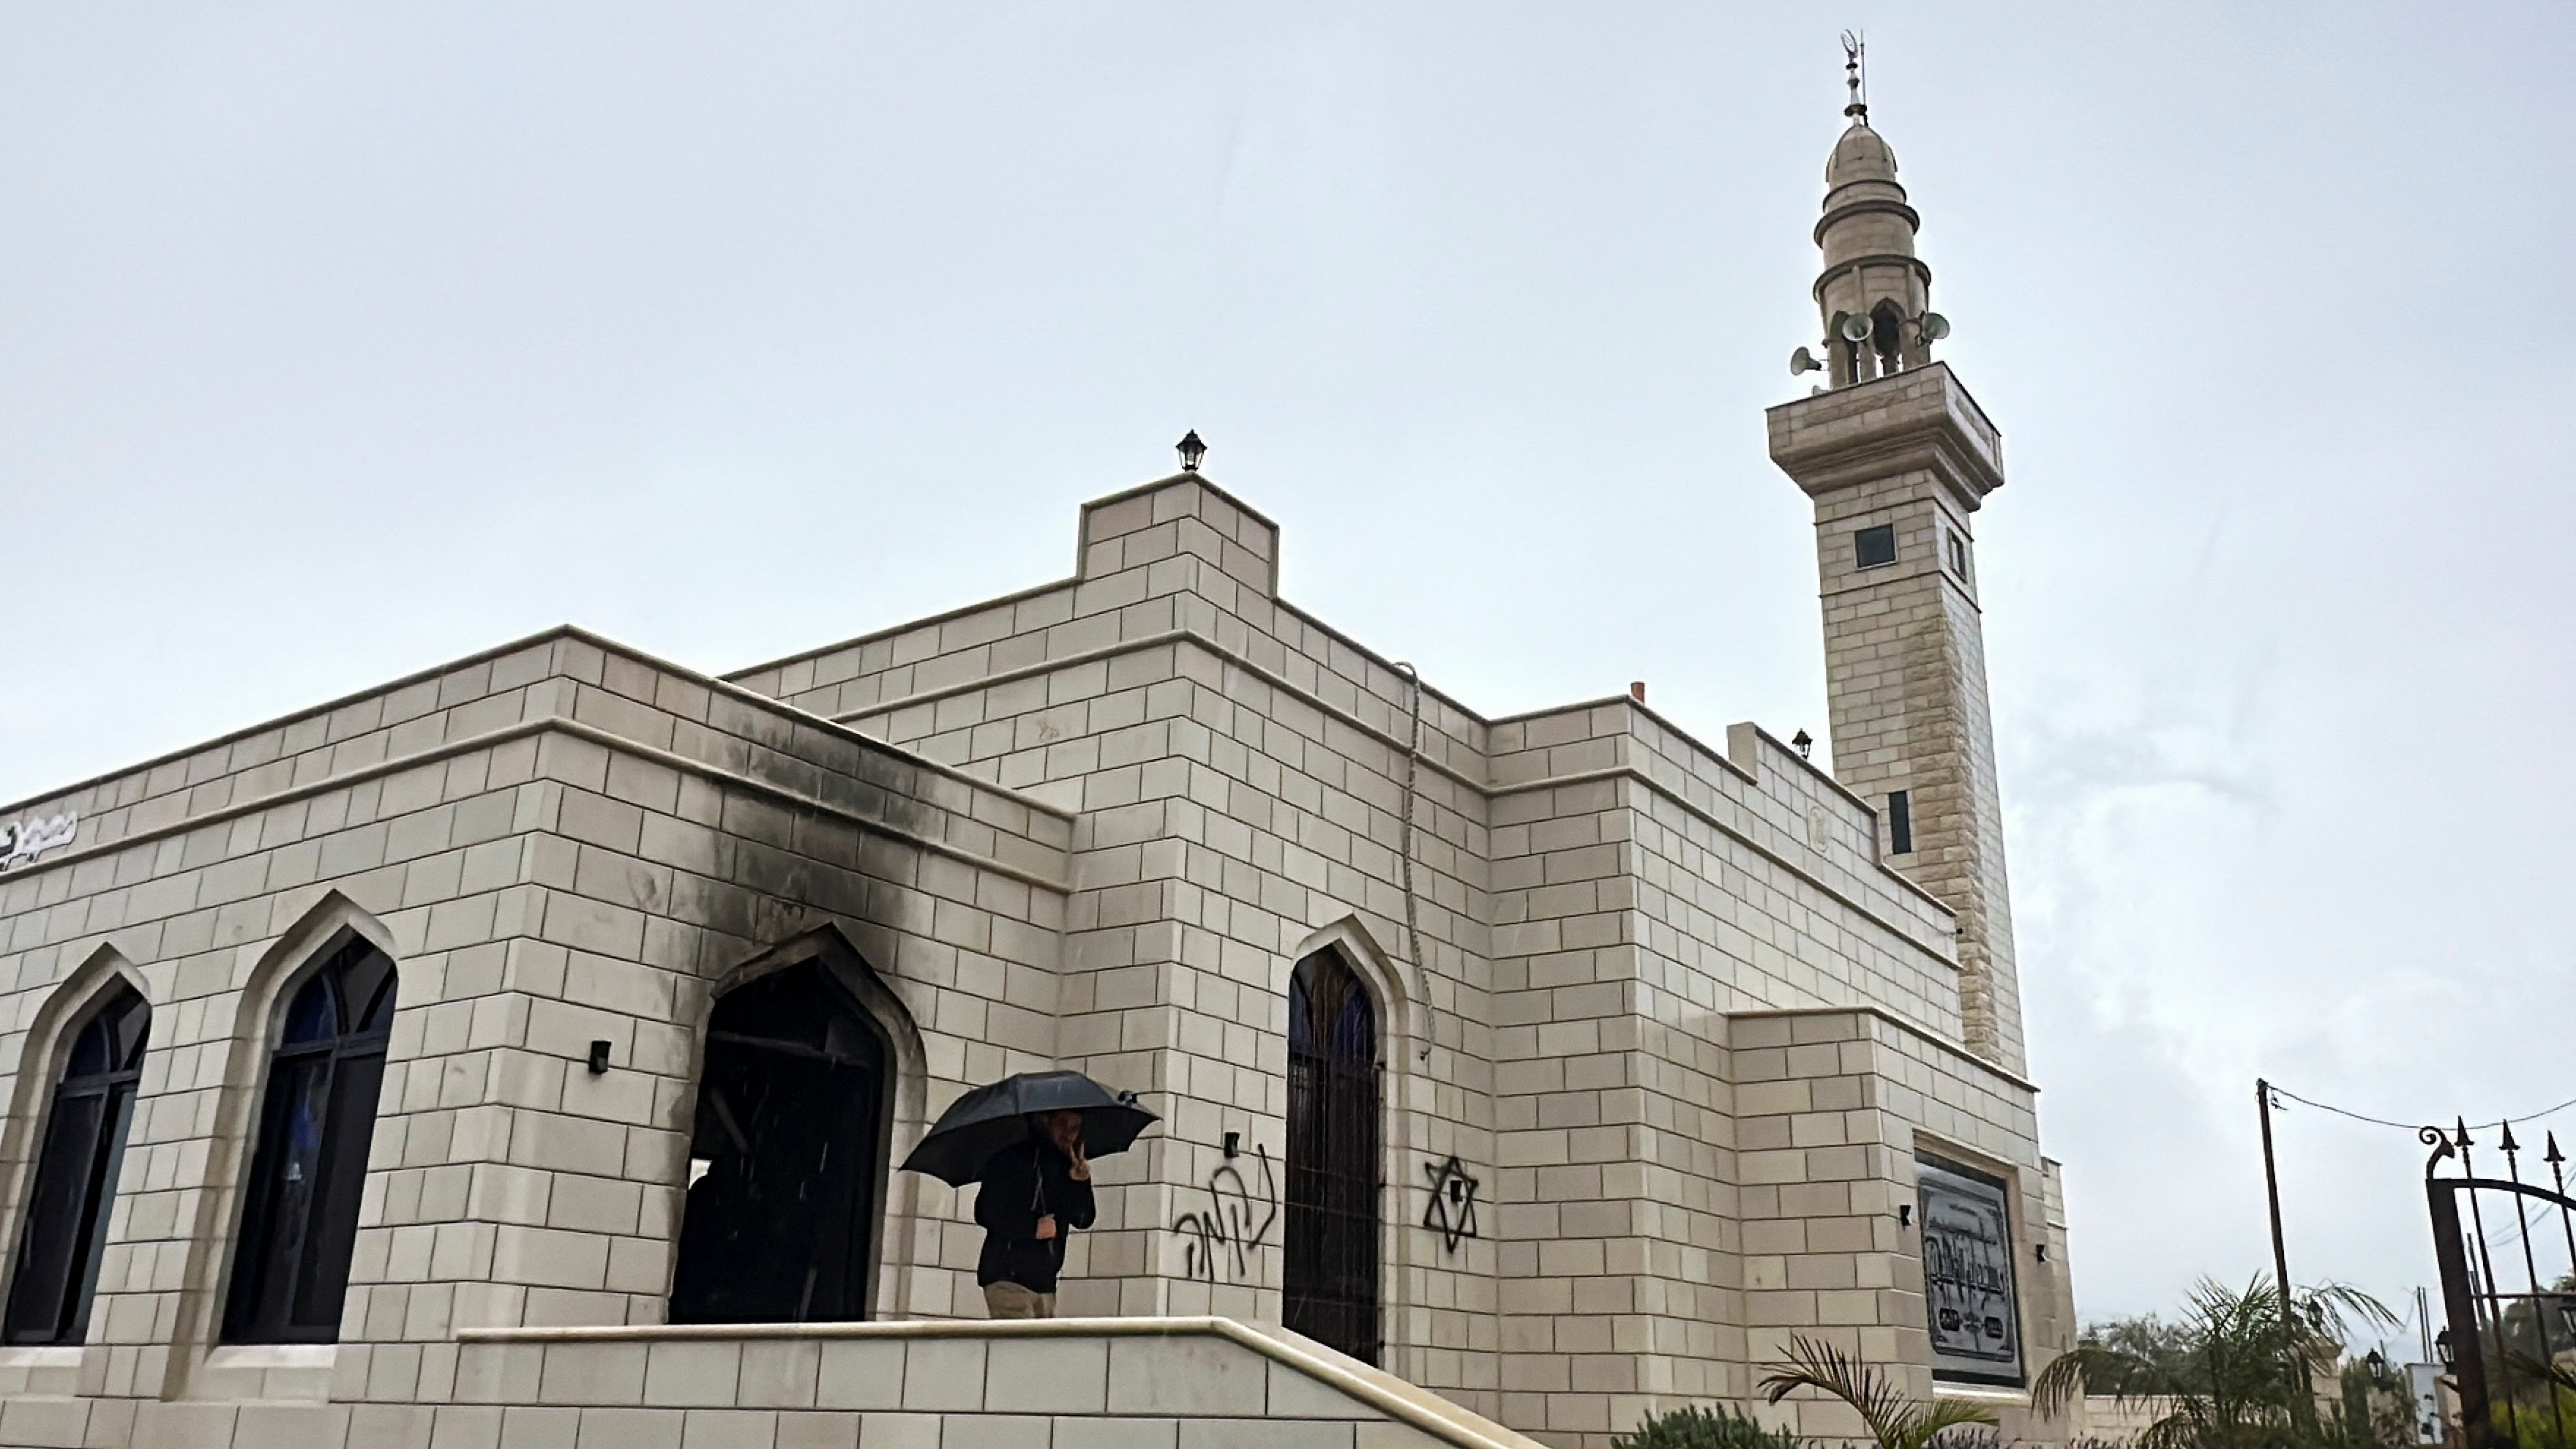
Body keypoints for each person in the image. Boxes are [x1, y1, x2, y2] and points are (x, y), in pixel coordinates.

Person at [973, 1109, 1093, 1319]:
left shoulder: (1066, 1166)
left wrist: (1081, 1183)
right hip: (1008, 1277)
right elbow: (986, 1211)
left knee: (1038, 1349)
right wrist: (1032, 1228)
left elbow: (1083, 1219)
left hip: (1045, 1282)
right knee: (1019, 1347)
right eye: (1062, 1125)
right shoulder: (1010, 1159)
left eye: (1074, 1128)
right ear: (1046, 1122)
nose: (1068, 1134)